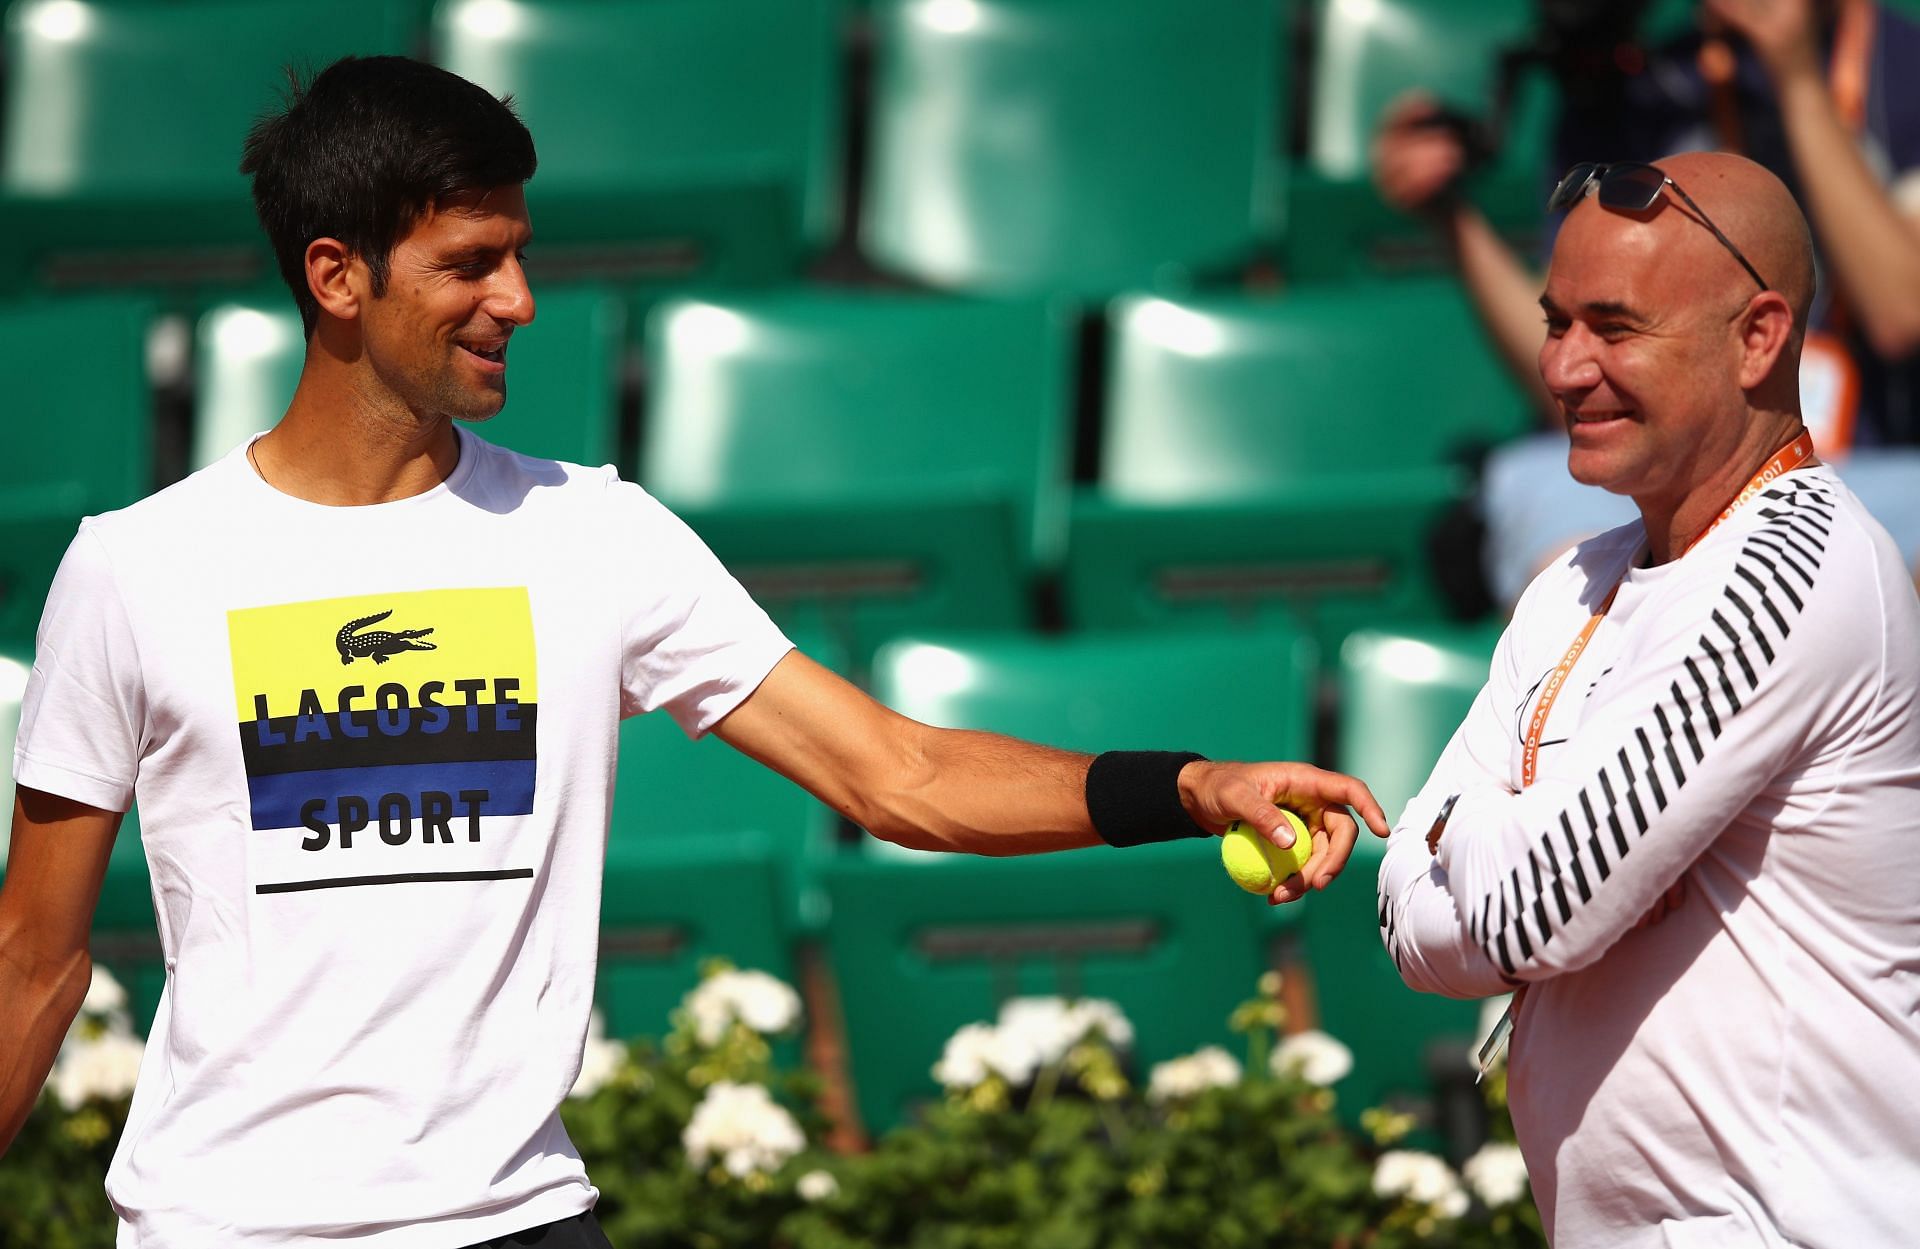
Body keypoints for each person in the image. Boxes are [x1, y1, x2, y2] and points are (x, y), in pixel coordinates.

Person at [0, 56, 1386, 1248]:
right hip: (222, 1223)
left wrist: (1192, 786)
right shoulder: (136, 569)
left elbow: (896, 774)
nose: (522, 298)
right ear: (336, 278)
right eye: (471, 262)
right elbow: (35, 962)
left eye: (520, 251)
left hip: (515, 1217)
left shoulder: (590, 531)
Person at [1376, 150, 1920, 1246]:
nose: (1567, 369)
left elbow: (1529, 909)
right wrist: (1541, 855)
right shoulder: (1574, 582)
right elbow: (1403, 912)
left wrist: (1483, 822)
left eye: (1615, 327)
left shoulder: (1800, 570)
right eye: (1556, 322)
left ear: (1760, 336)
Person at [1373, 0, 1920, 606]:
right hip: (1669, 464)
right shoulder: (1637, 88)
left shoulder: (1901, 65)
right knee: (1551, 510)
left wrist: (1794, 75)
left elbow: (1901, 313)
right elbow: (1575, 365)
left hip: (1871, 469)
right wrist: (1452, 216)